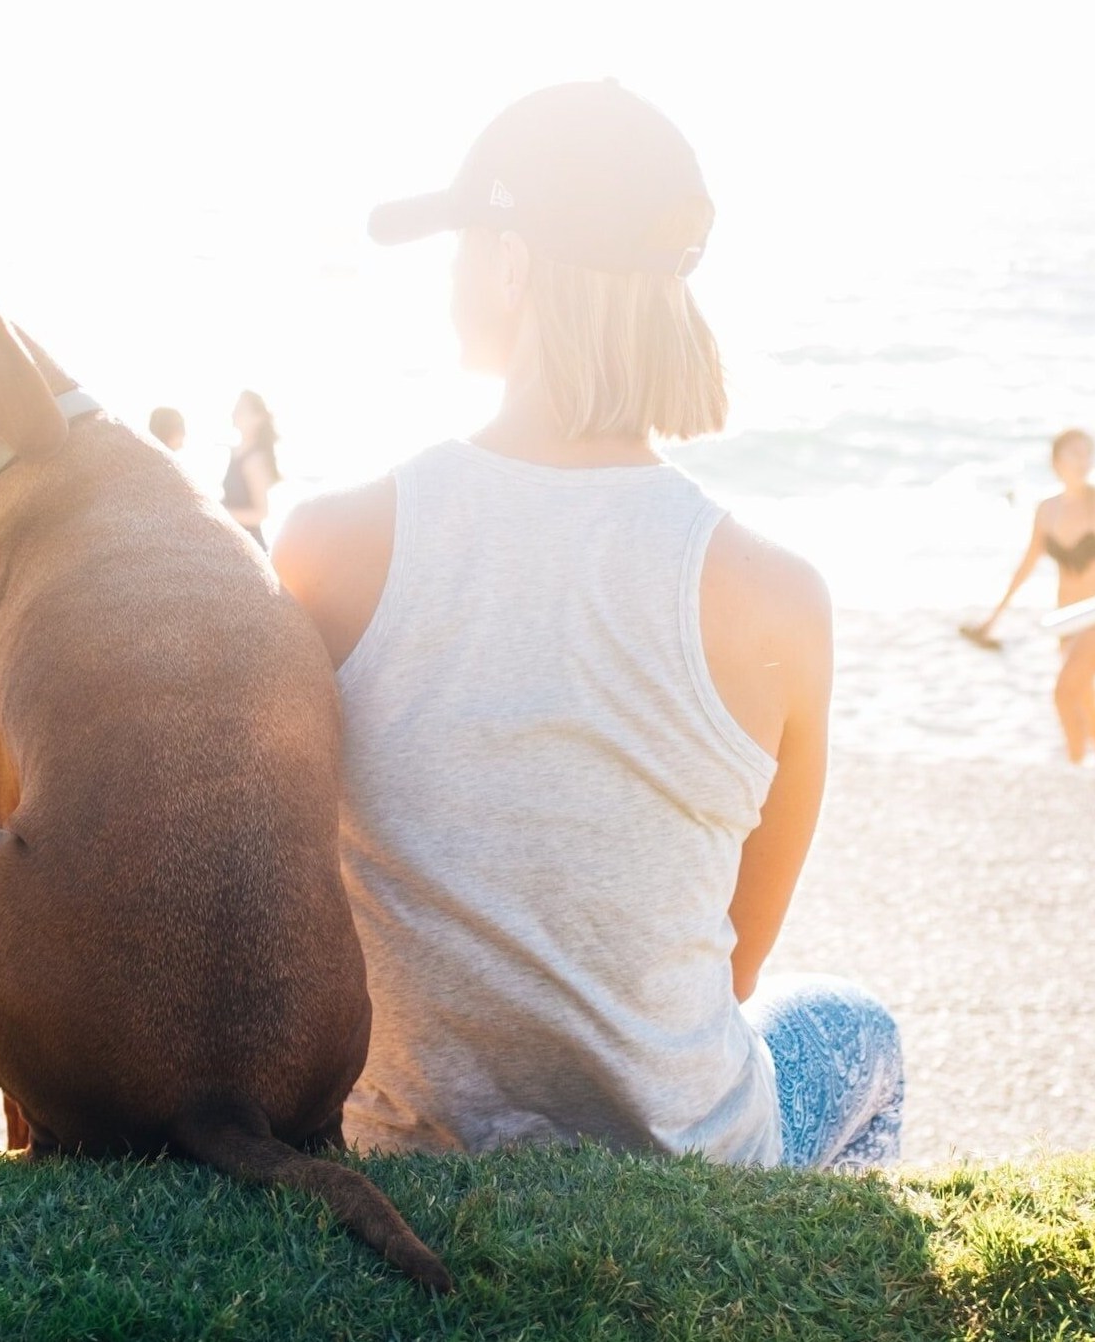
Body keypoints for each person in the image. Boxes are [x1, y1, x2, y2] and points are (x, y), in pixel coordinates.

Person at [272, 82, 902, 1171]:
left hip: (402, 1141)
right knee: (860, 1030)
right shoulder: (778, 597)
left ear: (512, 263)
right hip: (686, 1153)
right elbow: (734, 968)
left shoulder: (331, 543)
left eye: (465, 241)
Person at [964, 429, 1095, 764]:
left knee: (1064, 692)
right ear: (1056, 462)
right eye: (1074, 454)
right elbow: (1025, 567)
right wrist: (993, 619)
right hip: (1067, 616)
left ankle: (1076, 767)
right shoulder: (1047, 510)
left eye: (1088, 454)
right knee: (1084, 695)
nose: (1083, 462)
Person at [221, 390, 281, 547]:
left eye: (241, 410)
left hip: (248, 544)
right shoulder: (235, 452)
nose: (234, 413)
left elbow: (261, 513)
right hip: (234, 540)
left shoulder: (255, 459)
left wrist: (221, 513)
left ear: (258, 418)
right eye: (235, 408)